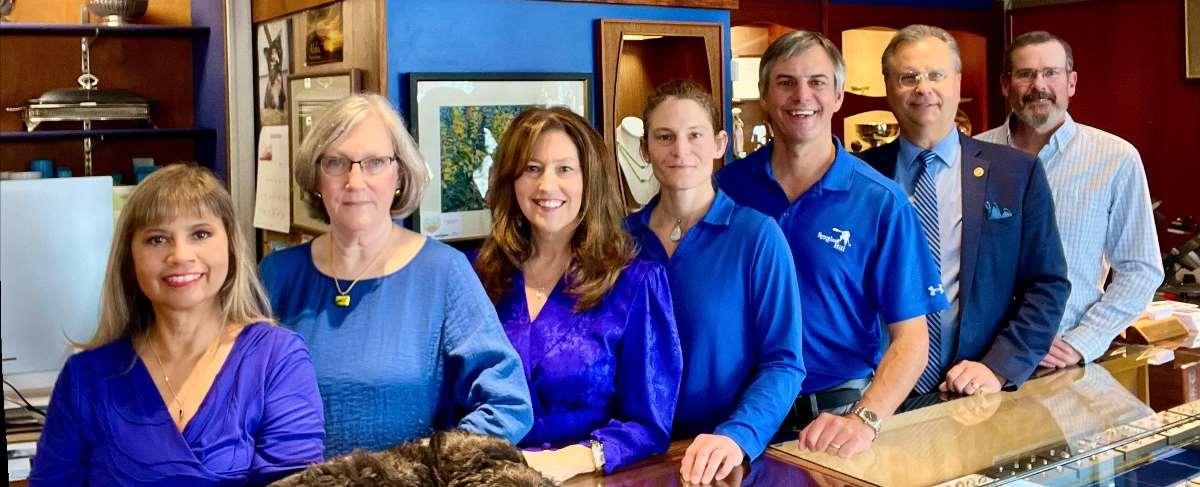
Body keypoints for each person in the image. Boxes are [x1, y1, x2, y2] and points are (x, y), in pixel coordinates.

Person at [259, 94, 533, 457]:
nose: (355, 180)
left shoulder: (443, 273)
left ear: (399, 174)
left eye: (374, 162)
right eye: (336, 163)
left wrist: (424, 463)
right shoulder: (276, 275)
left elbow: (508, 405)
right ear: (316, 178)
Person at [717, 30, 947, 459]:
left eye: (817, 82)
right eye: (786, 82)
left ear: (839, 95)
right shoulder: (726, 190)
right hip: (735, 419)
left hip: (833, 421)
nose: (802, 96)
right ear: (764, 95)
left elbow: (912, 340)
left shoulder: (881, 201)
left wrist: (864, 419)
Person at [30, 164, 324, 485]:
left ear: (230, 245)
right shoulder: (85, 377)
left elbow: (296, 481)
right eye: (157, 239)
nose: (180, 256)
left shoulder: (277, 358)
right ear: (130, 259)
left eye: (200, 234)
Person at [474, 106, 682, 480]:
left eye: (565, 169)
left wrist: (568, 461)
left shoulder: (636, 283)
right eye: (532, 168)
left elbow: (649, 424)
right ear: (511, 180)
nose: (546, 185)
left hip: (588, 478)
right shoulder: (477, 275)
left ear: (590, 180)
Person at [860, 25, 1070, 396]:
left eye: (936, 75)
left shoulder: (1015, 173)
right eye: (908, 77)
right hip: (873, 391)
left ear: (957, 82)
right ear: (888, 86)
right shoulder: (858, 177)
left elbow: (1047, 284)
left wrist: (999, 367)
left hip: (973, 392)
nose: (923, 88)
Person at [626, 80, 806, 484]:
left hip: (724, 459)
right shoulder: (619, 241)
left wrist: (737, 436)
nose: (680, 150)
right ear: (645, 149)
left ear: (719, 144)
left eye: (695, 135)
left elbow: (784, 363)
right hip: (635, 458)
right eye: (665, 137)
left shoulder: (756, 236)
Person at [976, 31, 1163, 367]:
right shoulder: (972, 156)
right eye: (1025, 74)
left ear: (1071, 82)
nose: (1039, 85)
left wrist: (1084, 340)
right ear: (1005, 84)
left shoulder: (1115, 158)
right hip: (980, 357)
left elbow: (1141, 268)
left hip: (1061, 360)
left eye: (1051, 73)